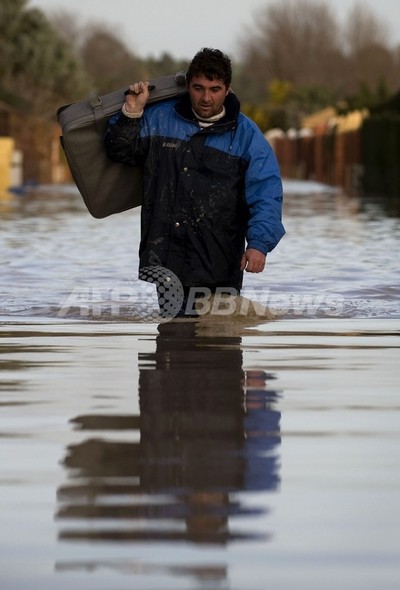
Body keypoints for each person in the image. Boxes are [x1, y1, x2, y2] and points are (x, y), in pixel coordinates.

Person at [105, 48, 285, 317]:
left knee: (220, 348)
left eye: (214, 89)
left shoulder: (247, 137)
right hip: (168, 256)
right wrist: (132, 112)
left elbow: (266, 193)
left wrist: (258, 244)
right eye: (198, 88)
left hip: (221, 260)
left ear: (227, 90)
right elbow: (120, 152)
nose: (205, 97)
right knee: (171, 342)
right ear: (188, 86)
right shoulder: (159, 118)